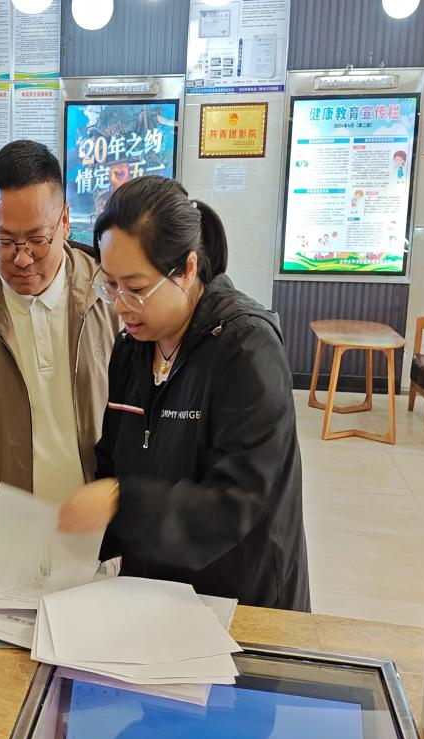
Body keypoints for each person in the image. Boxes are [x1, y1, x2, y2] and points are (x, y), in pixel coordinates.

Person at [58, 175, 309, 610]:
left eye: (136, 288)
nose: (119, 305)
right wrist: (78, 532)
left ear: (188, 269)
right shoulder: (131, 349)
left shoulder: (247, 350)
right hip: (156, 596)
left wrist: (121, 502)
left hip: (242, 601)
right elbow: (115, 459)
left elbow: (235, 505)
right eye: (111, 285)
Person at [0, 140, 117, 559]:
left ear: (65, 221)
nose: (22, 259)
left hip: (103, 545)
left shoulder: (111, 301)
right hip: (7, 547)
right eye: (5, 241)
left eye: (37, 240)